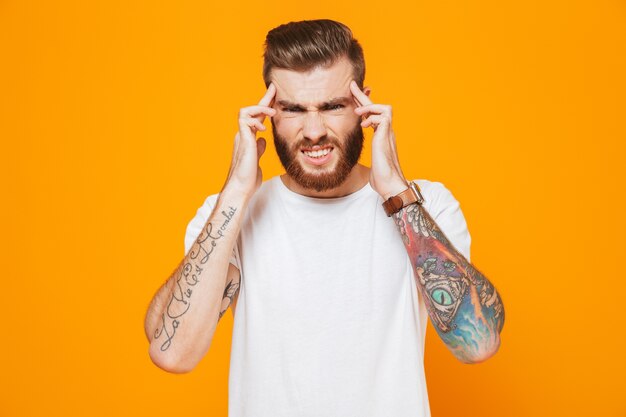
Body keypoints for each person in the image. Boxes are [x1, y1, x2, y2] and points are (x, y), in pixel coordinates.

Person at [144, 19, 505, 417]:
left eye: (332, 106)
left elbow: (479, 344)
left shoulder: (424, 205)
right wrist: (235, 192)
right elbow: (172, 353)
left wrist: (397, 195)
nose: (314, 130)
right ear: (270, 115)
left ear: (363, 106)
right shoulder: (231, 215)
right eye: (294, 109)